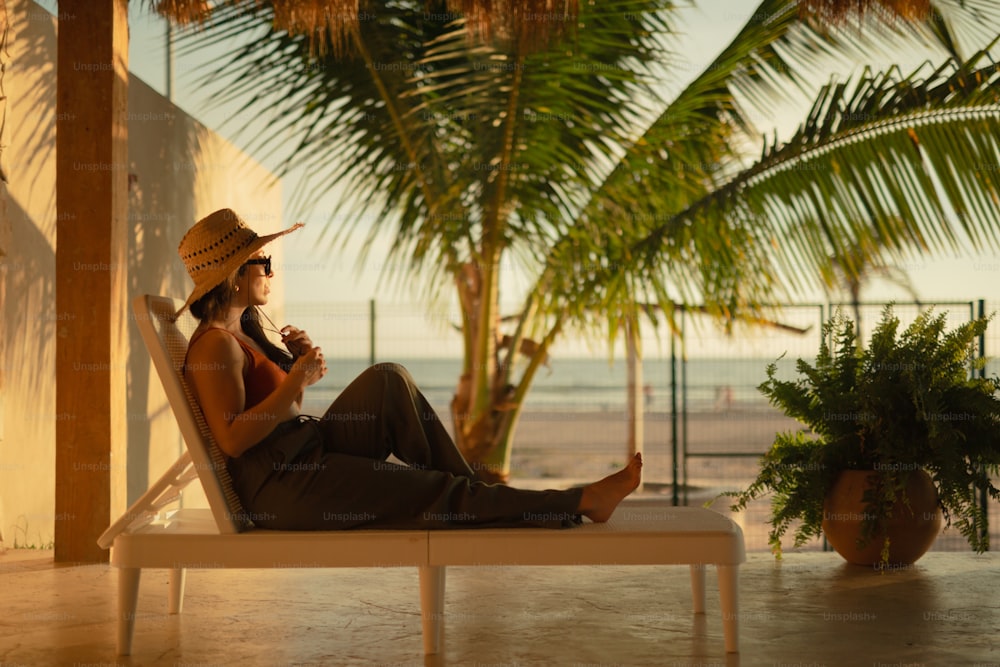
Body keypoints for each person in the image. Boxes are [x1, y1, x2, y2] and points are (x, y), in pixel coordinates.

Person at [176, 208, 642, 530]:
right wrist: (297, 379)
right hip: (283, 484)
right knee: (433, 490)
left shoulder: (244, 333)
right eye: (264, 261)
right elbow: (234, 439)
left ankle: (480, 494)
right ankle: (578, 501)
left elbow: (283, 411)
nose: (270, 272)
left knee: (388, 379)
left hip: (302, 451)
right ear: (238, 272)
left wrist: (295, 369)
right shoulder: (215, 346)